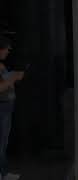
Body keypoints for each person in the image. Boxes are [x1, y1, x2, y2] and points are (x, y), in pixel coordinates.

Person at [0, 35, 24, 180]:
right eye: (6, 49)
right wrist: (14, 78)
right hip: (2, 108)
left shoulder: (1, 66)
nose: (8, 52)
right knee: (1, 142)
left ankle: (3, 172)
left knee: (4, 141)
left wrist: (13, 76)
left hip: (6, 108)